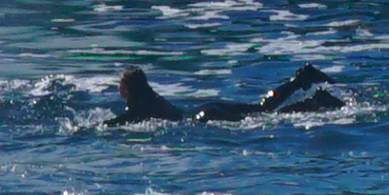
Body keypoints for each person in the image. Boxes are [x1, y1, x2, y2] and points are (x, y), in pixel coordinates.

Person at [115, 61, 341, 123]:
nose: (118, 88)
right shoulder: (148, 99)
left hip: (206, 115)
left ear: (128, 88)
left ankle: (313, 102)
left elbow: (121, 122)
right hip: (206, 108)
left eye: (120, 84)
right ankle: (301, 80)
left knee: (265, 116)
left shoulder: (140, 105)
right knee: (261, 109)